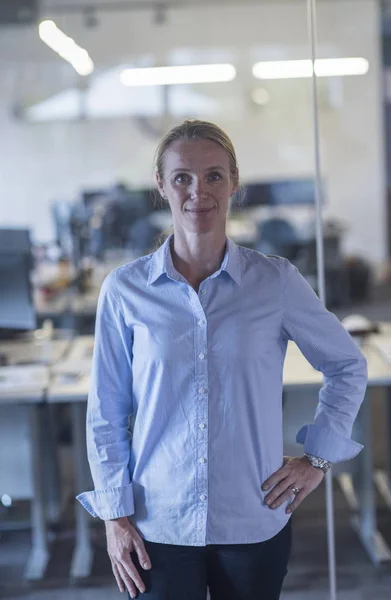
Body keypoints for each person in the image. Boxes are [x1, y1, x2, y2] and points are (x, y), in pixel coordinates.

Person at [77, 119, 368, 600]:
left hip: (252, 517)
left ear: (234, 182)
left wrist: (319, 457)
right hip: (157, 523)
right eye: (182, 178)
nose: (198, 191)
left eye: (214, 175)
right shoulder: (125, 290)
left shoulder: (274, 282)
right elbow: (106, 413)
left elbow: (346, 365)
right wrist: (114, 514)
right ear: (161, 186)